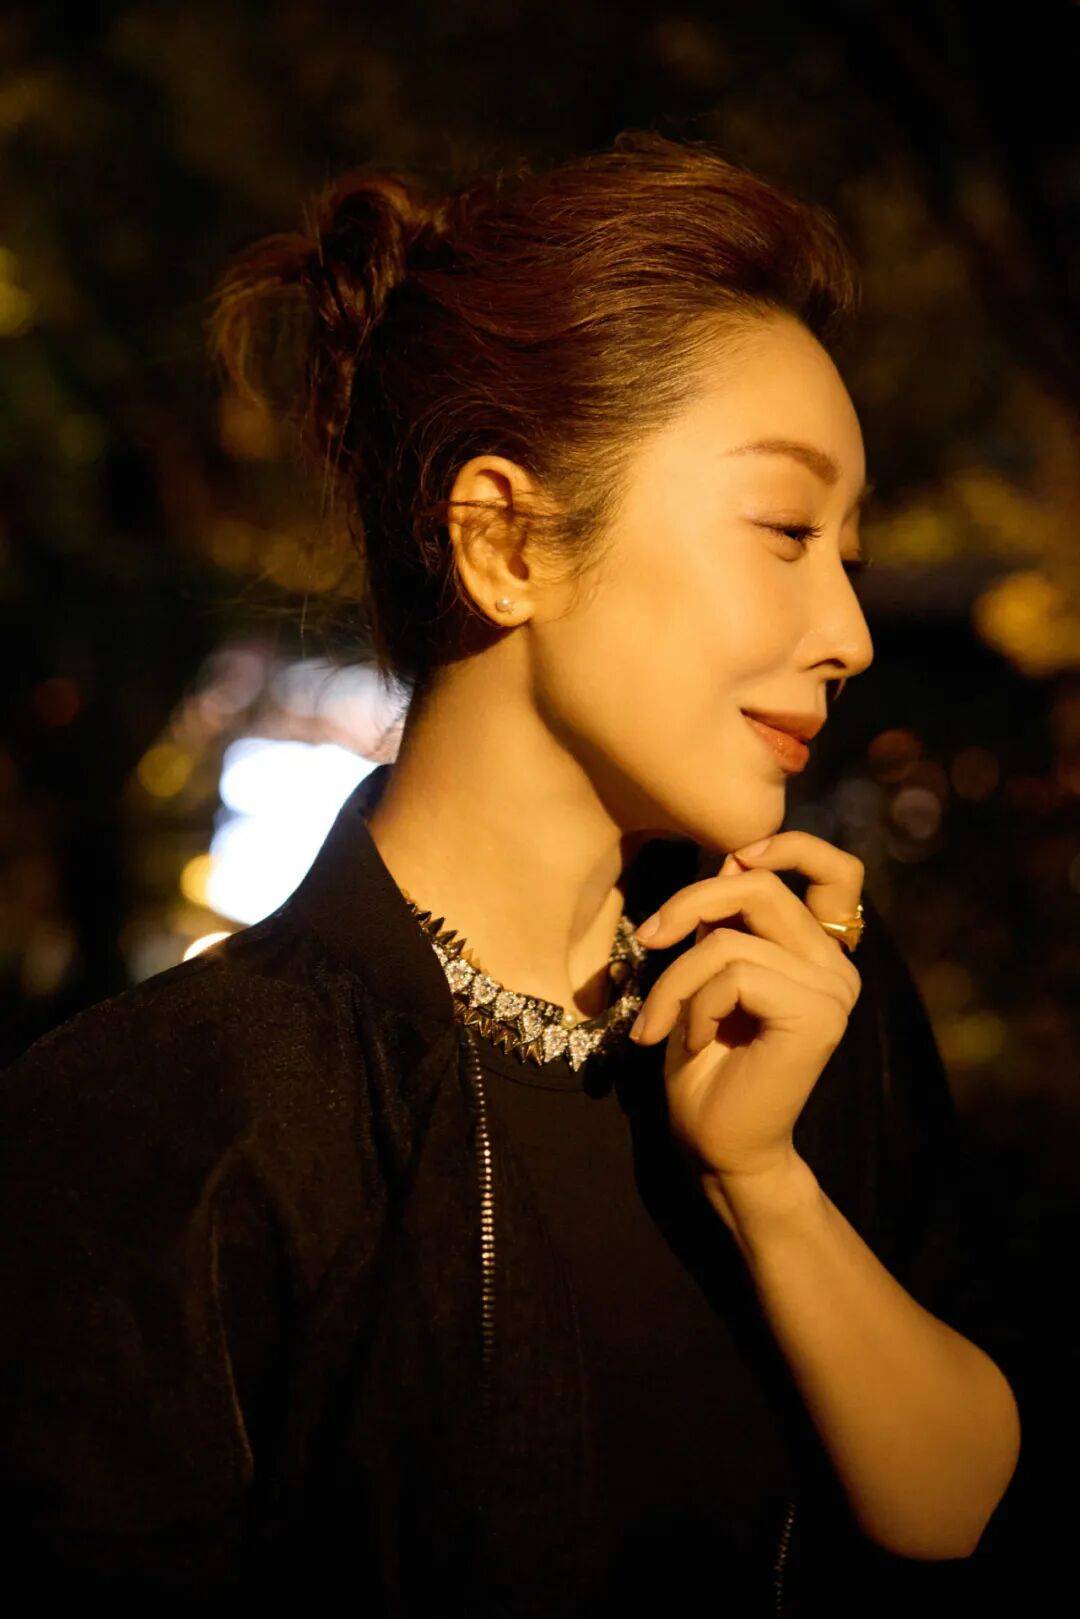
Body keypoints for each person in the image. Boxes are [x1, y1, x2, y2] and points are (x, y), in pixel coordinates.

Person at [0, 130, 1022, 1615]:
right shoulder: (169, 1114)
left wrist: (767, 1186)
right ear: (506, 542)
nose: (850, 635)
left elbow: (961, 1505)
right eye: (786, 532)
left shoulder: (803, 999)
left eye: (849, 557)